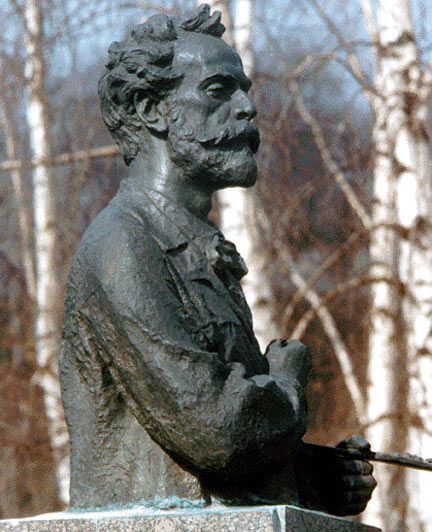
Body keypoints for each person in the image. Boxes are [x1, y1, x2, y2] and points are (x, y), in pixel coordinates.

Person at [59, 4, 376, 515]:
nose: (247, 108)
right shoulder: (123, 245)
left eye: (244, 90)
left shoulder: (194, 249)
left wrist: (318, 479)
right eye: (218, 90)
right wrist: (287, 382)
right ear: (151, 110)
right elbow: (214, 429)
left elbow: (212, 456)